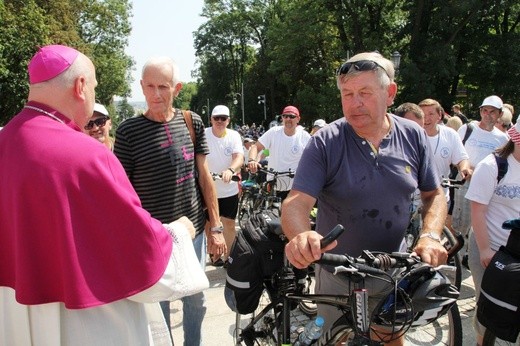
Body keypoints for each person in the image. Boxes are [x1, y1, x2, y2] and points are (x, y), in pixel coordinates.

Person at [0, 44, 195, 345]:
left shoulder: (4, 143)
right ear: (80, 87)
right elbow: (141, 255)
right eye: (93, 87)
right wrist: (180, 232)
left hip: (14, 319)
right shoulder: (87, 155)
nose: (93, 95)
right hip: (89, 323)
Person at [281, 52, 448, 346]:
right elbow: (296, 201)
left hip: (393, 268)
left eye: (365, 93)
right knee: (336, 340)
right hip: (337, 271)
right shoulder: (325, 141)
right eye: (347, 94)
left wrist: (431, 235)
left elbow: (433, 194)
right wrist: (300, 233)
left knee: (391, 339)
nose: (354, 103)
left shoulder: (412, 134)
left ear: (390, 93)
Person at [114, 56, 224, 345]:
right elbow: (122, 192)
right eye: (149, 86)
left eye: (163, 86)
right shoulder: (128, 133)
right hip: (154, 237)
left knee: (196, 299)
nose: (156, 94)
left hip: (194, 233)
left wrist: (215, 227)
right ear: (141, 86)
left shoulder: (192, 122)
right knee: (159, 305)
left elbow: (204, 176)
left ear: (177, 88)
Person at [466, 122, 520, 345]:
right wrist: (486, 250)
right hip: (491, 249)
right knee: (489, 307)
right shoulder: (492, 166)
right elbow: (477, 210)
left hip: (517, 249)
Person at [452, 95, 509, 253]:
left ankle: (471, 253)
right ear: (480, 111)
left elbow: (504, 163)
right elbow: (456, 152)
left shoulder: (503, 138)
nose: (488, 114)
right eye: (485, 110)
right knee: (460, 220)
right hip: (465, 181)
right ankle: (456, 251)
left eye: (492, 111)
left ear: (499, 114)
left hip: (488, 186)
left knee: (480, 219)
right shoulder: (468, 129)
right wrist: (464, 168)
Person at [418, 98, 472, 234]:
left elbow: (461, 158)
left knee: (432, 234)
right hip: (413, 195)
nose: (426, 118)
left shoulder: (450, 135)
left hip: (439, 195)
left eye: (431, 114)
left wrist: (464, 168)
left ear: (439, 116)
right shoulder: (411, 134)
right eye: (423, 114)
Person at [204, 105, 244, 265]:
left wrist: (230, 169)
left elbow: (239, 157)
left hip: (228, 189)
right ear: (211, 119)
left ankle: (229, 257)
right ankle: (214, 254)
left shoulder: (233, 135)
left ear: (228, 120)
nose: (220, 121)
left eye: (223, 118)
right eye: (216, 118)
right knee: (209, 225)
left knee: (228, 224)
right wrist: (204, 173)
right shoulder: (204, 134)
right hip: (208, 188)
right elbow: (199, 156)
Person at [247, 105, 311, 200]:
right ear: (282, 118)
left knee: (290, 214)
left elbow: (314, 158)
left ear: (298, 119)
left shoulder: (304, 137)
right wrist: (252, 160)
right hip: (273, 183)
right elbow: (256, 147)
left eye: (292, 116)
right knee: (267, 211)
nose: (288, 119)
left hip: (295, 186)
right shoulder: (274, 132)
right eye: (285, 116)